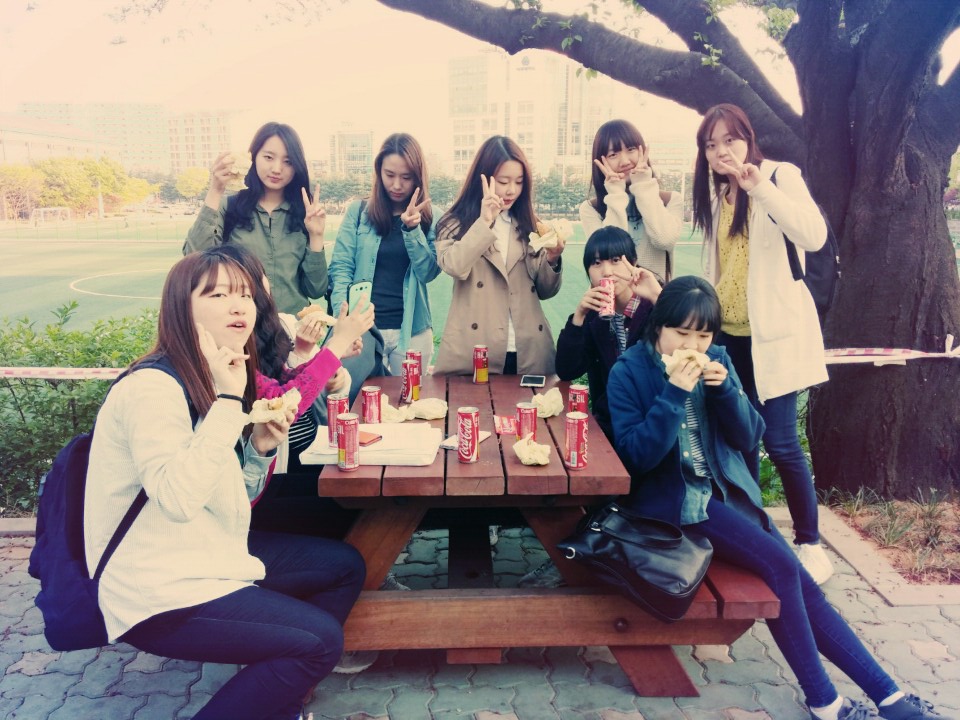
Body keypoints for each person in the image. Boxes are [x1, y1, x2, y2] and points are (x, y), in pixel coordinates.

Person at [606, 276, 950, 720]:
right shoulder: (629, 372)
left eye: (703, 335)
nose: (692, 345)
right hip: (674, 505)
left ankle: (889, 697)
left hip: (724, 497)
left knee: (800, 582)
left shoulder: (718, 360)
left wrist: (726, 391)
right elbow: (638, 459)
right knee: (783, 567)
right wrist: (673, 393)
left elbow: (750, 436)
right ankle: (825, 701)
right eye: (682, 333)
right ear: (659, 327)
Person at [84, 249, 366, 718]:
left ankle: (274, 698)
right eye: (216, 295)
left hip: (207, 551)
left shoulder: (220, 374)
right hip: (157, 587)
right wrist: (230, 402)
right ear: (182, 307)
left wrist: (260, 448)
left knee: (343, 566)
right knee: (317, 642)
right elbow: (178, 499)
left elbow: (236, 500)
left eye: (244, 294)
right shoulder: (152, 388)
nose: (237, 306)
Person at [691, 102, 833, 584]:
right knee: (742, 437)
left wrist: (760, 188)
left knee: (781, 441)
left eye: (729, 139)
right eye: (711, 144)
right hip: (730, 339)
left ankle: (809, 542)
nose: (721, 151)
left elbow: (813, 236)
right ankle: (756, 534)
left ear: (748, 139)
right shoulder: (717, 197)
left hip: (774, 336)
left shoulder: (779, 176)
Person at [433, 135, 564, 376]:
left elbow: (546, 291)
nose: (512, 190)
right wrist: (484, 222)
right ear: (482, 178)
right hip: (476, 348)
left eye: (519, 182)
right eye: (503, 181)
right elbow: (454, 266)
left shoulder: (530, 224)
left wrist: (553, 259)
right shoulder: (454, 223)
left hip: (527, 348)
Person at [183, 121, 328, 316]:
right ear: (253, 157)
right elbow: (194, 259)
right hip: (241, 325)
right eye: (268, 157)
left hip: (292, 329)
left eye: (288, 161)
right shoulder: (229, 207)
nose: (277, 169)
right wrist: (215, 190)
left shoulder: (305, 215)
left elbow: (316, 289)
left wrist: (316, 236)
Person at [555, 226, 662, 442]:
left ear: (632, 262)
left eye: (615, 260)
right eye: (596, 263)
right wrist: (578, 317)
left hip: (653, 422)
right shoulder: (594, 317)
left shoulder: (655, 306)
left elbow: (686, 344)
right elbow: (567, 370)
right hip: (610, 426)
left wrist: (659, 298)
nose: (607, 272)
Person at [580, 119, 682, 281]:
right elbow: (610, 253)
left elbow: (664, 240)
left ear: (642, 150)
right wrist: (615, 193)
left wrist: (643, 186)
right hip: (612, 294)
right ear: (600, 161)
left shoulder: (670, 200)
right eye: (613, 155)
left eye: (631, 149)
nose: (625, 161)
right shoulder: (591, 209)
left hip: (657, 294)